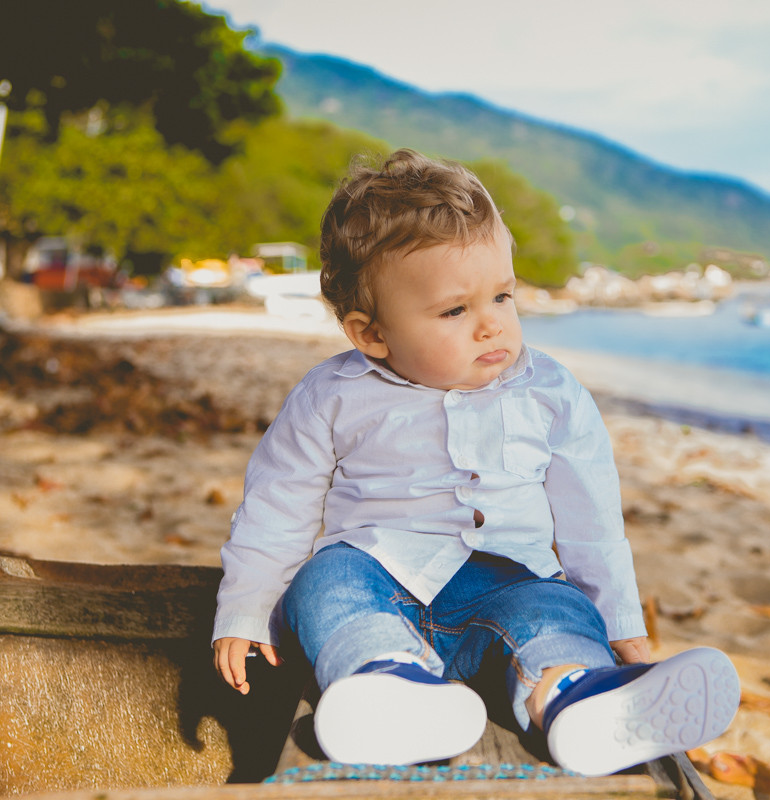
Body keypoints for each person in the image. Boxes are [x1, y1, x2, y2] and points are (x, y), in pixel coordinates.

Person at [212, 149, 739, 776]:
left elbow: (590, 518)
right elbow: (278, 506)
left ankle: (576, 696)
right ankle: (388, 686)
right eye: (456, 311)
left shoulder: (550, 391)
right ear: (372, 334)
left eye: (502, 296)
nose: (491, 324)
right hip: (380, 579)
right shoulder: (332, 394)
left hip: (508, 582)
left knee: (557, 612)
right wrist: (245, 607)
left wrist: (620, 617)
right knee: (322, 587)